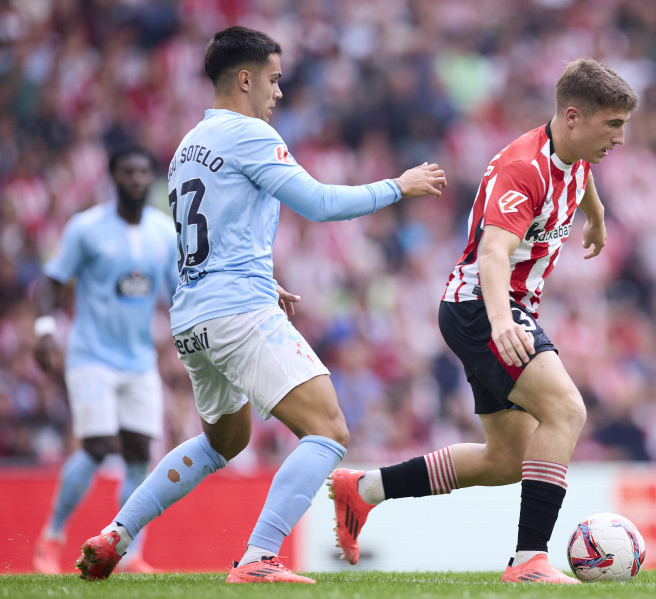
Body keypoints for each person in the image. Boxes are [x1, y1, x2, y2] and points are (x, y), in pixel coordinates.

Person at [75, 26, 446, 584]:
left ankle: (116, 534)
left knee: (224, 441)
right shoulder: (250, 135)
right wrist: (399, 185)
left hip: (194, 316)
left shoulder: (186, 149)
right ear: (244, 79)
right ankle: (258, 558)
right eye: (273, 80)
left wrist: (261, 277)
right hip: (236, 311)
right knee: (329, 431)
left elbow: (207, 235)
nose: (279, 93)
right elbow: (319, 204)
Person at [329, 57, 638, 584]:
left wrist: (598, 217)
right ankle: (529, 561)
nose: (621, 139)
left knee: (506, 460)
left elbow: (580, 176)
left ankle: (365, 488)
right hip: (482, 308)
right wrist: (501, 321)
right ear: (572, 117)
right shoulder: (523, 168)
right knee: (566, 409)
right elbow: (494, 255)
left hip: (494, 310)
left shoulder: (575, 153)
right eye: (613, 125)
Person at [32, 145, 179, 574]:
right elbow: (51, 279)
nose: (136, 180)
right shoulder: (87, 228)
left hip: (139, 361)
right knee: (97, 447)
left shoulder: (163, 233)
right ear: (113, 177)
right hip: (91, 356)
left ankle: (128, 551)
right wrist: (45, 331)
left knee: (138, 453)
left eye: (143, 173)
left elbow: (178, 292)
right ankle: (52, 536)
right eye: (127, 172)